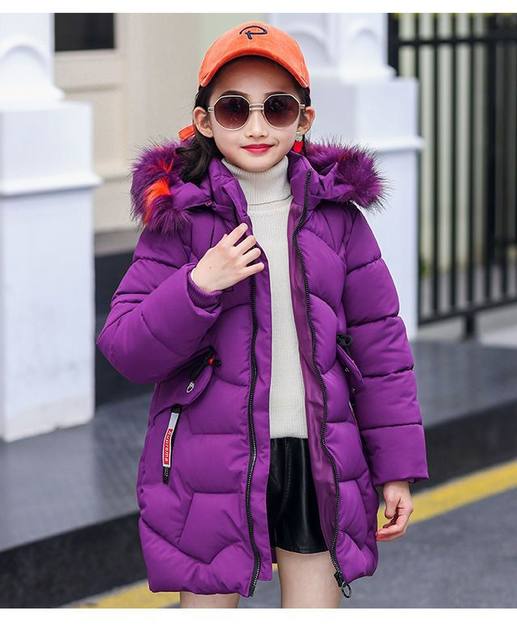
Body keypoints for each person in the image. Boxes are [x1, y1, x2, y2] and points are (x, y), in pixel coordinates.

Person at [96, 20, 430, 609]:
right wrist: (198, 286)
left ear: (303, 119)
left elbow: (382, 353)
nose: (256, 127)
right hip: (209, 460)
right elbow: (125, 347)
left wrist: (396, 468)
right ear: (204, 121)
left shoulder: (338, 220)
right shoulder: (180, 221)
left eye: (277, 108)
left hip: (316, 455)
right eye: (234, 109)